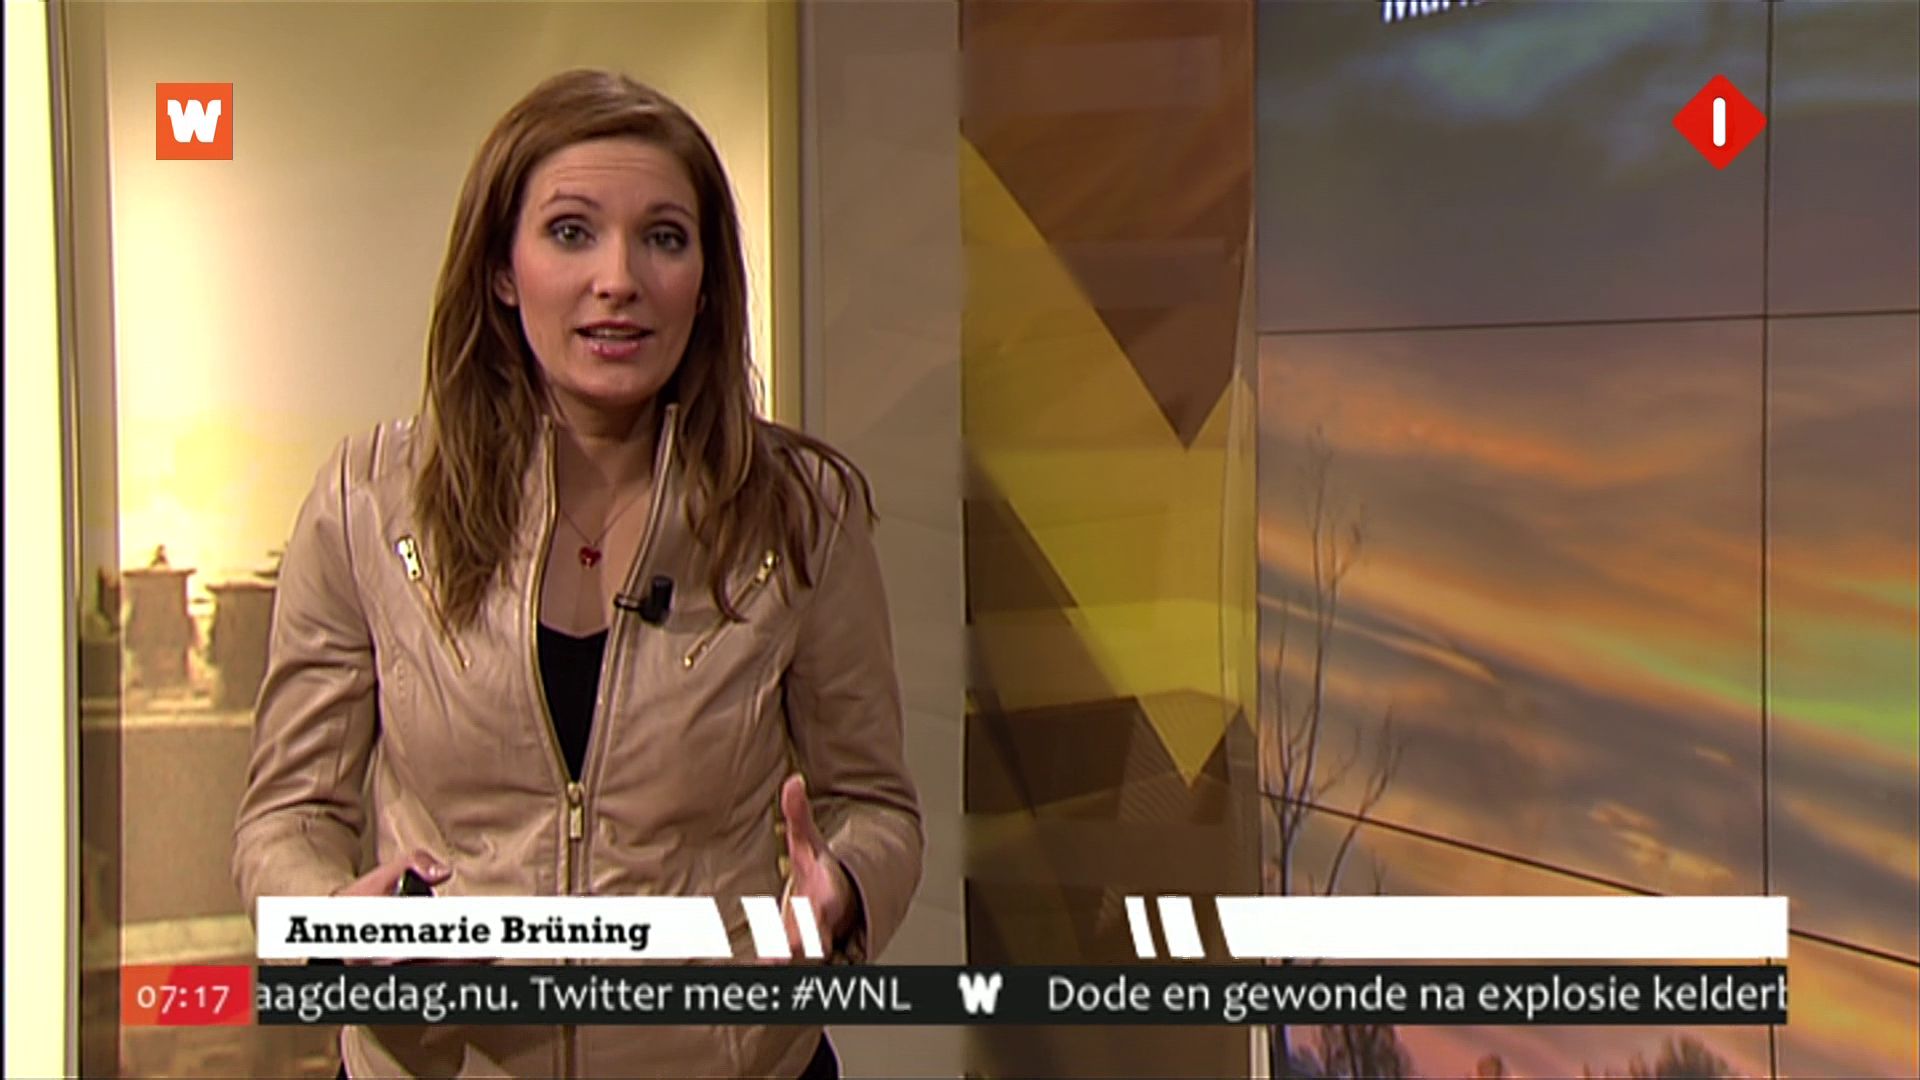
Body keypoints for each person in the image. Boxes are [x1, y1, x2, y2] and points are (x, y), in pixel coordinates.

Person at [232, 69, 922, 1079]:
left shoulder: (801, 512)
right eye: (571, 232)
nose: (619, 279)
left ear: (706, 280)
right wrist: (335, 923)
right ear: (501, 271)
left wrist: (844, 891)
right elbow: (286, 819)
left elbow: (874, 804)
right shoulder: (367, 504)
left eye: (664, 238)